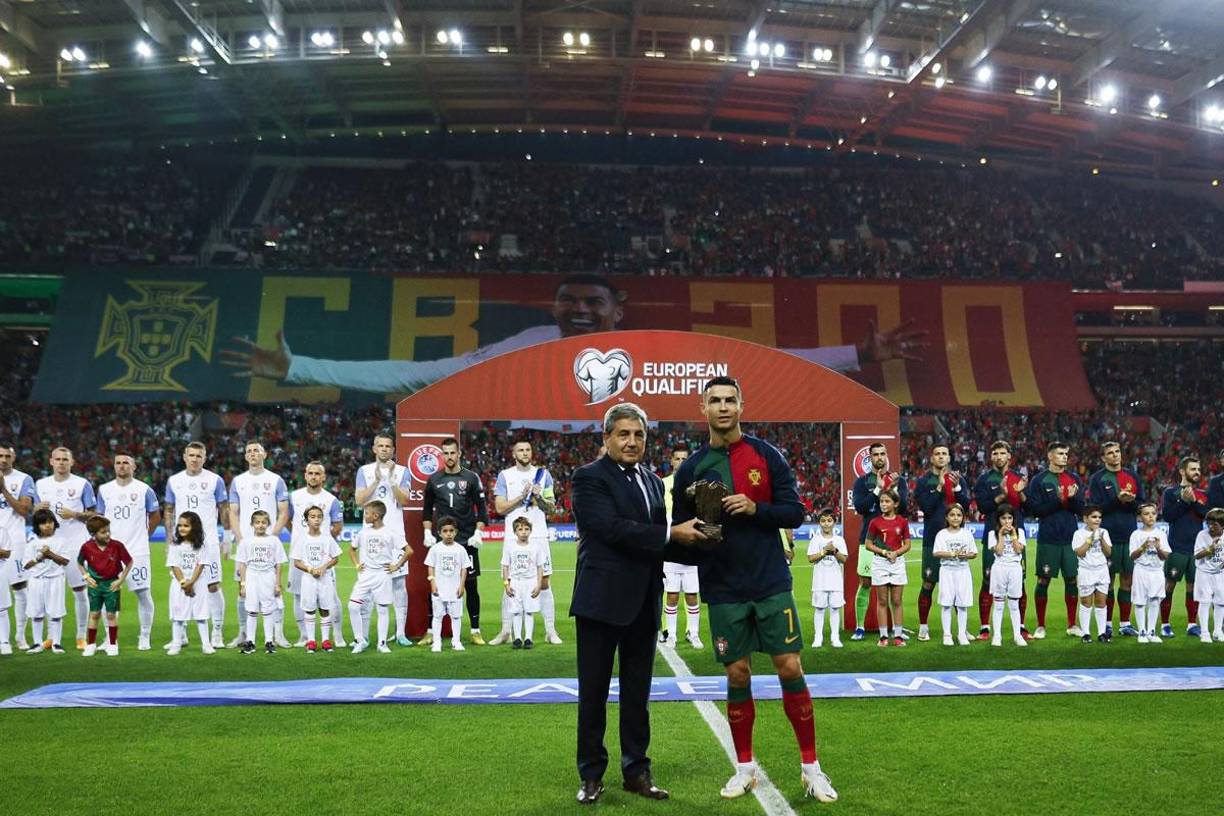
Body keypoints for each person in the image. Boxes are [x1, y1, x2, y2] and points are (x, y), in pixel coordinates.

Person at [220, 274, 920, 393]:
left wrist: (857, 354)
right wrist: (301, 366)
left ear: (619, 306)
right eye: (565, 303)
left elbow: (762, 363)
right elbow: (418, 375)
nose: (576, 313)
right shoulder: (527, 343)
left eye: (590, 302)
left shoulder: (658, 354)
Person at [671, 378, 837, 803]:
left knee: (789, 668)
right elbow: (686, 535)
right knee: (737, 673)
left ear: (742, 405)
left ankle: (811, 768)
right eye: (715, 401)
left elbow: (796, 512)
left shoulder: (767, 455)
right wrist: (690, 537)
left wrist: (755, 508)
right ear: (702, 408)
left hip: (769, 582)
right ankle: (744, 768)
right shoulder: (690, 470)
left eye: (730, 400)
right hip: (723, 586)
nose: (723, 407)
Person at [570, 401, 706, 805]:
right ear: (607, 437)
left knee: (637, 696)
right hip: (600, 601)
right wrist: (671, 534)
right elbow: (607, 528)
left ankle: (636, 771)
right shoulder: (588, 477)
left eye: (639, 435)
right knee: (592, 694)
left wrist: (707, 546)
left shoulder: (650, 480)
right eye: (624, 434)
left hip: (644, 602)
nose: (632, 442)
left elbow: (656, 540)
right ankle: (591, 775)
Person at [491, 439, 561, 646]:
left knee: (545, 582)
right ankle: (506, 631)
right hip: (513, 536)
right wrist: (521, 497)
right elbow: (500, 508)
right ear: (513, 454)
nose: (524, 453)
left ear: (532, 452)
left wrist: (539, 498)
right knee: (510, 583)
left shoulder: (543, 475)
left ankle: (550, 631)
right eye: (520, 450)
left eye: (527, 449)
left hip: (538, 534)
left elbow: (551, 509)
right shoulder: (505, 476)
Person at [422, 437, 489, 644]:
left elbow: (482, 510)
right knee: (436, 585)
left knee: (470, 585)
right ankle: (431, 631)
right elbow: (426, 511)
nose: (449, 457)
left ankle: (475, 630)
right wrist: (427, 533)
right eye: (446, 453)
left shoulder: (470, 478)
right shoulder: (434, 480)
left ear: (459, 453)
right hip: (442, 542)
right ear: (442, 455)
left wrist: (478, 533)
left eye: (452, 452)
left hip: (466, 539)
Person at [164, 441, 230, 649]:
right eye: (191, 455)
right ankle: (181, 634)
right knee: (181, 583)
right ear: (184, 457)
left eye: (198, 456)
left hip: (208, 542)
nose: (194, 459)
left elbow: (224, 508)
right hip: (182, 542)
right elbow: (168, 510)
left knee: (212, 586)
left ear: (204, 458)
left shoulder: (214, 480)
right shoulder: (174, 481)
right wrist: (169, 540)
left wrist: (227, 537)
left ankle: (217, 632)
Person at [228, 442, 291, 648]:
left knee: (274, 589)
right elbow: (233, 513)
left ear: (264, 454)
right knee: (243, 589)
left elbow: (283, 512)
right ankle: (244, 633)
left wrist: (271, 538)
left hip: (269, 544)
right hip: (247, 545)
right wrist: (241, 540)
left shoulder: (275, 480)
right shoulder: (238, 481)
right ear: (245, 457)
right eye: (249, 451)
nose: (253, 453)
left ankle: (277, 635)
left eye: (257, 450)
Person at [96, 453, 161, 650]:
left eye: (126, 463)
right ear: (114, 466)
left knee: (143, 593)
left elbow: (155, 516)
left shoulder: (144, 490)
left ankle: (144, 636)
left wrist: (144, 536)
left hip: (137, 552)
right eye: (118, 463)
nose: (122, 466)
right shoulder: (104, 490)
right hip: (110, 552)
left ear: (134, 467)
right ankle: (109, 638)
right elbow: (99, 518)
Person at [33, 447, 95, 651]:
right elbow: (32, 514)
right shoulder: (40, 484)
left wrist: (75, 514)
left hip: (75, 545)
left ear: (72, 462)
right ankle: (51, 637)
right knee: (49, 592)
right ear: (51, 461)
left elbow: (94, 515)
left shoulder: (82, 484)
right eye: (57, 459)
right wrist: (36, 509)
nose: (61, 462)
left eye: (65, 459)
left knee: (79, 590)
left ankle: (80, 635)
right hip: (48, 546)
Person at [354, 434, 413, 646]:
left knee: (398, 585)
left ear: (393, 450)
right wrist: (378, 480)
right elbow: (360, 501)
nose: (384, 449)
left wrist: (391, 481)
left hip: (394, 534)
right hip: (370, 537)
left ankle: (400, 633)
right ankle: (363, 636)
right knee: (367, 587)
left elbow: (405, 500)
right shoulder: (365, 471)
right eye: (380, 445)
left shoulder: (403, 472)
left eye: (388, 446)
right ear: (374, 448)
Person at [1024, 440, 1084, 639]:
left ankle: (1072, 624)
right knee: (1043, 579)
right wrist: (1058, 501)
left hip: (1070, 538)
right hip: (1048, 538)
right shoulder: (1039, 480)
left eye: (1066, 453)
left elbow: (1082, 510)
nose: (1064, 457)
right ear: (1050, 456)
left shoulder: (1074, 478)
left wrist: (1072, 499)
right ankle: (1041, 625)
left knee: (1072, 579)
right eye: (1060, 453)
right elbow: (1035, 511)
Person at [850, 442, 908, 641]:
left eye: (882, 454)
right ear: (870, 457)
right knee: (865, 583)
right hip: (869, 538)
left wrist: (894, 491)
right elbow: (860, 507)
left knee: (895, 587)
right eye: (875, 455)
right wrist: (877, 490)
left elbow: (905, 507)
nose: (879, 457)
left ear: (886, 455)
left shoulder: (897, 480)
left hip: (894, 540)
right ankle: (860, 627)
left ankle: (896, 630)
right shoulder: (862, 482)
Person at [972, 440, 1029, 640]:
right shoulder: (984, 479)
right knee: (988, 580)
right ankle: (985, 627)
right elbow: (982, 507)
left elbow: (1028, 508)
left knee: (1020, 580)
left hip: (1017, 535)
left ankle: (1020, 627)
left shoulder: (1017, 478)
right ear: (991, 457)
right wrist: (1002, 494)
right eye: (995, 453)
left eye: (1002, 453)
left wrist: (1020, 492)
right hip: (992, 533)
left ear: (1009, 456)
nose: (998, 456)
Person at [1087, 441, 1144, 637]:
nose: (1114, 455)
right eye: (1109, 453)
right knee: (1108, 581)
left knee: (1127, 580)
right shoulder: (1097, 479)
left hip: (1130, 536)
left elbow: (1141, 506)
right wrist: (1118, 500)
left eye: (1117, 451)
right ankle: (1108, 623)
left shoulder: (1132, 476)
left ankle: (1126, 624)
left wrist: (1131, 501)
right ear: (1103, 458)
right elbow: (1095, 508)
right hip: (1107, 537)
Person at [914, 444, 969, 642]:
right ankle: (923, 627)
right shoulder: (923, 481)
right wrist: (938, 488)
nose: (941, 457)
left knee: (957, 584)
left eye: (944, 453)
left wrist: (957, 488)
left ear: (949, 457)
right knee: (928, 583)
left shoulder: (958, 479)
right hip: (932, 539)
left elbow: (967, 505)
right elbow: (926, 509)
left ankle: (961, 630)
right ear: (932, 458)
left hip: (957, 539)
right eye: (937, 453)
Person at [288, 462, 347, 649]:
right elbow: (289, 521)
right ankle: (305, 636)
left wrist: (323, 543)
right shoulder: (294, 497)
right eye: (310, 473)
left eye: (317, 474)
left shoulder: (331, 500)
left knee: (331, 597)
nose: (313, 476)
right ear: (305, 475)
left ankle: (336, 635)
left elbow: (337, 526)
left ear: (323, 477)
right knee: (298, 596)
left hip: (322, 558)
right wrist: (301, 539)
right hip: (300, 555)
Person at [347, 500, 412, 655]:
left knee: (382, 609)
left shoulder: (390, 533)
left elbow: (409, 551)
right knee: (353, 606)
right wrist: (357, 564)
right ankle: (360, 640)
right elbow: (351, 550)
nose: (365, 516)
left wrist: (396, 565)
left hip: (383, 575)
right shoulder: (363, 533)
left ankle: (381, 644)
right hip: (366, 575)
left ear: (375, 516)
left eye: (367, 513)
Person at [658, 447, 701, 649]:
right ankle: (671, 634)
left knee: (692, 594)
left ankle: (693, 634)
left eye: (685, 458)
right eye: (678, 459)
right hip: (669, 543)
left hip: (691, 544)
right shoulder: (663, 484)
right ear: (671, 461)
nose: (681, 462)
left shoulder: (696, 485)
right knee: (672, 593)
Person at [1161, 455, 1207, 639]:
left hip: (1197, 550)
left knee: (1193, 588)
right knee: (1169, 586)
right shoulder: (1170, 493)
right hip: (1177, 548)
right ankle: (1165, 624)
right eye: (1193, 469)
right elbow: (1168, 516)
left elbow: (1206, 515)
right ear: (1182, 471)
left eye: (1198, 469)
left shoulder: (1203, 494)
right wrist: (1183, 501)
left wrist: (1194, 501)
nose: (1197, 472)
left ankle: (1192, 625)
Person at [77, 516, 134, 657]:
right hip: (95, 585)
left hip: (111, 585)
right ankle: (91, 645)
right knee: (94, 614)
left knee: (110, 614)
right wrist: (86, 577)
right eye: (103, 532)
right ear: (93, 534)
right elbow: (79, 562)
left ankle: (113, 644)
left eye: (108, 531)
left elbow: (129, 562)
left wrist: (120, 580)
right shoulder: (86, 547)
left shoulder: (117, 546)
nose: (107, 534)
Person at [290, 505, 342, 653]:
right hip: (308, 580)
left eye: (319, 516)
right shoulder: (302, 539)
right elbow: (297, 562)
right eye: (312, 517)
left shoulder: (327, 538)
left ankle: (325, 640)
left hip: (325, 579)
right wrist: (310, 569)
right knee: (310, 609)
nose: (316, 519)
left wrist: (324, 567)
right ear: (306, 520)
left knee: (325, 608)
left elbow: (336, 558)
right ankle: (311, 640)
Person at [236, 509, 288, 655]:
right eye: (257, 522)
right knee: (252, 609)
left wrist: (277, 584)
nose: (260, 525)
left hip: (268, 577)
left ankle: (268, 641)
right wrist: (243, 584)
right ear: (252, 524)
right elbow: (242, 565)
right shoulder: (246, 542)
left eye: (263, 522)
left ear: (268, 524)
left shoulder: (274, 541)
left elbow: (279, 564)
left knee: (268, 609)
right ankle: (250, 641)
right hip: (252, 577)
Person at [0, 443, 35, 650]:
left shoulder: (23, 479)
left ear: (13, 458)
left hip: (15, 541)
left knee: (20, 588)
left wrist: (3, 489)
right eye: (0, 456)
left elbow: (24, 510)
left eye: (7, 456)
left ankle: (20, 636)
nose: (3, 459)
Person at [22, 508, 72, 655]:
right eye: (43, 523)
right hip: (36, 580)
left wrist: (49, 554)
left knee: (56, 612)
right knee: (36, 612)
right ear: (37, 526)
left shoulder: (61, 541)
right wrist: (39, 557)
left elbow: (65, 561)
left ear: (54, 523)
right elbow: (26, 565)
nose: (47, 525)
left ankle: (56, 642)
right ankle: (37, 643)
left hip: (55, 579)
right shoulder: (32, 543)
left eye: (50, 522)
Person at [866, 490, 911, 648]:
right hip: (880, 563)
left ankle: (898, 636)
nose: (883, 504)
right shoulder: (875, 522)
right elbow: (868, 544)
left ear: (896, 503)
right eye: (881, 502)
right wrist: (884, 552)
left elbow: (907, 544)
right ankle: (883, 636)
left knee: (897, 601)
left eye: (887, 501)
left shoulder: (903, 522)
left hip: (897, 562)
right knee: (882, 600)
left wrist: (896, 553)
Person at [167, 511, 216, 656]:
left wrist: (191, 582)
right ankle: (176, 644)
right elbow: (174, 565)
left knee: (201, 615)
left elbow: (200, 565)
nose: (182, 528)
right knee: (178, 616)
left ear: (194, 527)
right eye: (180, 525)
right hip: (179, 584)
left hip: (198, 584)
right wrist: (184, 583)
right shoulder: (175, 546)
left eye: (186, 526)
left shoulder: (202, 545)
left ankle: (206, 644)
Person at [424, 516, 472, 652]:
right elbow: (430, 566)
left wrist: (462, 585)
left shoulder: (460, 549)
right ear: (439, 533)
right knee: (437, 616)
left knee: (456, 616)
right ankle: (437, 642)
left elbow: (464, 569)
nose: (448, 534)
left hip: (455, 589)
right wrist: (432, 582)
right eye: (445, 531)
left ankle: (456, 641)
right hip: (439, 589)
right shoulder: (435, 549)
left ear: (456, 532)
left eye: (451, 531)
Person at [932, 505, 977, 646]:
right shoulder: (942, 534)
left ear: (963, 517)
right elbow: (936, 553)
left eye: (958, 515)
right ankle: (947, 634)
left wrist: (966, 555)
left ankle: (962, 634)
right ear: (947, 517)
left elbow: (974, 553)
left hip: (963, 572)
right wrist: (953, 554)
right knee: (946, 604)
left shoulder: (966, 534)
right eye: (952, 515)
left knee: (963, 604)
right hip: (947, 572)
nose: (955, 518)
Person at [501, 517, 545, 650]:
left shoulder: (536, 547)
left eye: (526, 529)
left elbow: (540, 567)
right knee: (516, 611)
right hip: (515, 582)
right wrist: (506, 584)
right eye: (520, 529)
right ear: (515, 532)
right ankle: (518, 638)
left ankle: (528, 638)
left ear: (530, 531)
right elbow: (505, 566)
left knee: (529, 611)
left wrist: (538, 584)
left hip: (530, 582)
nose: (524, 532)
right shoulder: (510, 546)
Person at [1129, 503, 1170, 643]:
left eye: (1153, 513)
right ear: (1140, 517)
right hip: (1141, 570)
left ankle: (1151, 631)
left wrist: (1158, 548)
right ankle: (1141, 632)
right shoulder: (1136, 534)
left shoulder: (1161, 534)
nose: (1151, 516)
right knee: (1140, 602)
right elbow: (1133, 556)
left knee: (1154, 601)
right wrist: (1143, 547)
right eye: (1146, 513)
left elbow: (1165, 556)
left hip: (1157, 571)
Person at [1071, 506, 1112, 644]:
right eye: (1094, 517)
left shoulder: (1104, 532)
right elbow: (1079, 552)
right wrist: (1090, 540)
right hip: (1086, 571)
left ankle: (1101, 633)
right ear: (1085, 519)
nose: (1097, 520)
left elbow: (1108, 553)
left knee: (1101, 603)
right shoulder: (1078, 534)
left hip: (1101, 570)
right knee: (1086, 603)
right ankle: (1086, 633)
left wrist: (1101, 539)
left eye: (1099, 517)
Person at [987, 506, 1028, 647]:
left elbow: (1018, 549)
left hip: (1015, 568)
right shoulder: (992, 533)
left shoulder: (1020, 532)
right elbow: (998, 551)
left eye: (1010, 518)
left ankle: (1017, 635)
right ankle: (997, 636)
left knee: (1014, 604)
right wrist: (1000, 535)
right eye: (1003, 518)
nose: (1007, 521)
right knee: (998, 604)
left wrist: (1013, 535)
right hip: (999, 568)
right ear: (998, 519)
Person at [807, 508, 847, 649]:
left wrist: (834, 551)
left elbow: (844, 559)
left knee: (835, 609)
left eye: (829, 520)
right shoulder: (816, 540)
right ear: (819, 523)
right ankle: (818, 637)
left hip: (836, 581)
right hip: (819, 581)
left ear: (834, 522)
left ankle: (835, 637)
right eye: (823, 521)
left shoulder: (839, 540)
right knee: (819, 609)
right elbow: (810, 558)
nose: (826, 524)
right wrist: (824, 551)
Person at [1192, 508, 1224, 643]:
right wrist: (1209, 550)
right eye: (1208, 523)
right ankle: (1204, 633)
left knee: (1221, 603)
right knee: (1204, 602)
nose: (1210, 527)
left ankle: (1217, 631)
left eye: (1214, 524)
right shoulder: (1202, 535)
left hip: (1220, 574)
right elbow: (1196, 555)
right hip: (1204, 573)